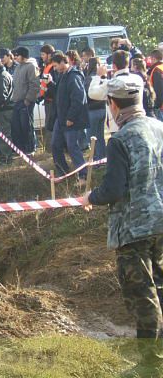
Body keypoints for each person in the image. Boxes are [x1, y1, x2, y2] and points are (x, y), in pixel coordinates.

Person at [81, 75, 163, 377]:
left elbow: (114, 189)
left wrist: (90, 196)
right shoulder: (160, 128)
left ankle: (150, 365)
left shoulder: (120, 140)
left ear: (113, 105)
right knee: (160, 289)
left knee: (142, 296)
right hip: (161, 222)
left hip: (134, 228)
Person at [48, 52, 89, 184]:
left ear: (62, 62)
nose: (54, 69)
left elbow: (78, 99)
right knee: (55, 145)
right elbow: (59, 94)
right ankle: (63, 173)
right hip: (60, 119)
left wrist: (71, 117)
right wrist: (50, 84)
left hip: (72, 120)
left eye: (55, 66)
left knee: (73, 147)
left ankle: (83, 176)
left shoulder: (73, 76)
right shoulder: (62, 76)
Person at [89, 50, 140, 133]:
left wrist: (98, 76)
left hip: (119, 125)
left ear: (114, 66)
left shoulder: (112, 84)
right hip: (138, 121)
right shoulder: (137, 79)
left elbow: (92, 93)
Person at [10, 46, 40, 155]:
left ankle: (30, 148)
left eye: (17, 55)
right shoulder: (18, 68)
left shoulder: (31, 67)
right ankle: (20, 149)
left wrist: (28, 99)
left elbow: (35, 85)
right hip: (16, 101)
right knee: (17, 127)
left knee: (26, 126)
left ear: (23, 56)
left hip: (26, 102)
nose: (15, 57)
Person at [85, 57, 107, 161]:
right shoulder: (103, 78)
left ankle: (95, 158)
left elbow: (86, 95)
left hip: (92, 110)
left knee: (92, 137)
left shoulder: (89, 79)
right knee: (100, 136)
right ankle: (102, 156)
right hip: (103, 109)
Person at [148, 49, 163, 121]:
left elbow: (158, 90)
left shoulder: (156, 70)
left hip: (161, 107)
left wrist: (157, 105)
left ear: (153, 59)